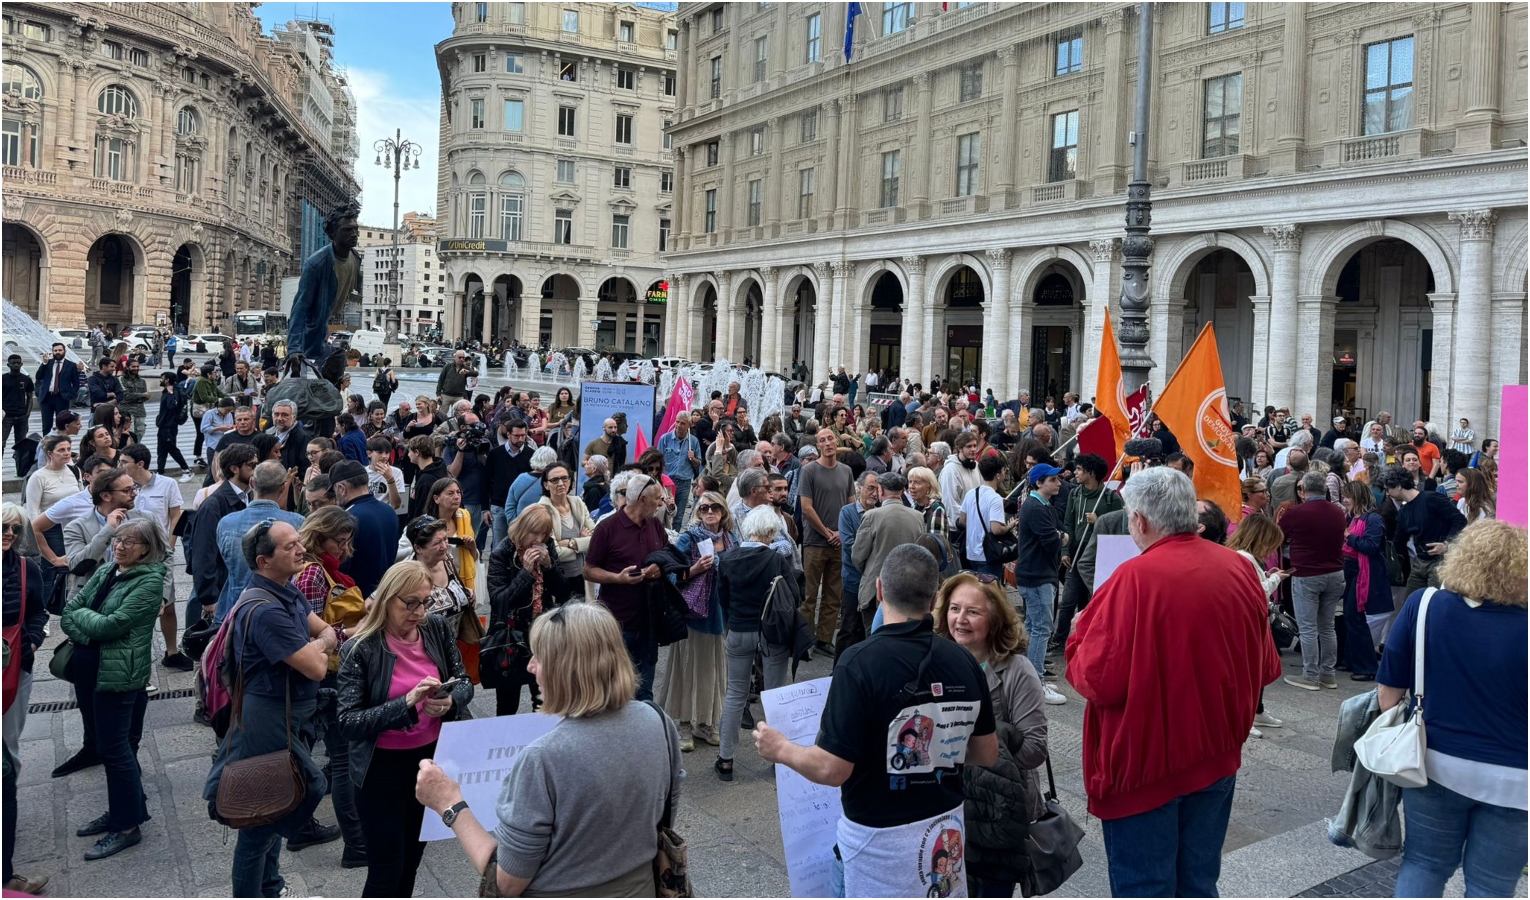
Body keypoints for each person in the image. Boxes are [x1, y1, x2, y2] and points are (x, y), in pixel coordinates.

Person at [1066, 467, 1279, 894]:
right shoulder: (1239, 568)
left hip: (1147, 767)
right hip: (1216, 754)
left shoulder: (1133, 578)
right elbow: (1266, 666)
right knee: (1199, 882)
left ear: (1140, 521)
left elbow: (1096, 679)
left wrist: (1076, 633)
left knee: (1145, 886)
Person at [754, 544, 998, 898]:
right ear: (933, 601)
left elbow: (832, 769)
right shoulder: (963, 661)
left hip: (877, 846)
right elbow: (986, 752)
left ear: (880, 590)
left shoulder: (858, 662)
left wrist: (781, 748)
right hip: (944, 832)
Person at [414, 601, 682, 896]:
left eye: (538, 658)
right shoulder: (658, 721)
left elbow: (506, 882)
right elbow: (661, 818)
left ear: (564, 670)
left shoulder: (543, 758)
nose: (529, 667)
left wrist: (449, 804)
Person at [1376, 520, 1527, 895]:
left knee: (1424, 865)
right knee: (1492, 886)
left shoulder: (1425, 605)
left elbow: (1388, 694)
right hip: (1517, 778)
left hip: (1434, 762)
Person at [204, 520, 339, 898]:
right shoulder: (265, 610)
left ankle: (272, 887)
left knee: (279, 801)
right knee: (265, 819)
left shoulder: (286, 590)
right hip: (267, 718)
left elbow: (326, 629)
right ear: (264, 561)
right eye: (290, 546)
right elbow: (317, 663)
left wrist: (321, 642)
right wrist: (322, 645)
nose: (301, 549)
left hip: (288, 712)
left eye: (299, 542)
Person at [337, 561, 473, 898]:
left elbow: (465, 680)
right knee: (387, 869)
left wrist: (450, 701)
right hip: (380, 770)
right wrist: (406, 704)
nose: (418, 612)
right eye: (409, 603)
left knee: (412, 860)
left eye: (425, 602)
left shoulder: (436, 629)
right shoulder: (360, 648)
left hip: (429, 763)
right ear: (386, 599)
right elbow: (348, 722)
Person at [934, 572, 1048, 898]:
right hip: (948, 807)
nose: (961, 619)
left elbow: (1035, 748)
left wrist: (979, 753)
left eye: (973, 611)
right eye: (955, 609)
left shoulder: (1017, 670)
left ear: (994, 618)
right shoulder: (938, 662)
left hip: (998, 815)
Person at [61, 518, 168, 860]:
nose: (119, 546)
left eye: (130, 542)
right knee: (112, 745)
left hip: (118, 676)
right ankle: (127, 808)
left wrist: (89, 629)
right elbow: (69, 610)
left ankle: (126, 826)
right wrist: (89, 631)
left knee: (115, 749)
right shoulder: (109, 570)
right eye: (118, 539)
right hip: (89, 670)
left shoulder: (150, 581)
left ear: (147, 549)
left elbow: (112, 625)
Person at [713, 506, 798, 782]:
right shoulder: (775, 560)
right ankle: (777, 759)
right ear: (771, 532)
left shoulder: (727, 558)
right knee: (774, 695)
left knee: (735, 693)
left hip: (738, 629)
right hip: (771, 633)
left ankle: (726, 759)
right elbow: (794, 596)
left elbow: (721, 598)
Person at [658, 491, 733, 753]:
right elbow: (666, 573)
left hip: (719, 615)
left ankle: (705, 722)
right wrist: (693, 570)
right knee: (688, 669)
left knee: (711, 670)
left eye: (714, 507)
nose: (709, 512)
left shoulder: (730, 539)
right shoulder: (688, 539)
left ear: (723, 511)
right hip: (691, 614)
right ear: (697, 513)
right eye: (703, 508)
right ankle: (684, 724)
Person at [583, 475, 669, 700]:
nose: (661, 503)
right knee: (612, 690)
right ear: (642, 500)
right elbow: (589, 570)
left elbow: (667, 555)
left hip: (649, 621)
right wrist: (618, 578)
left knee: (644, 692)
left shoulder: (654, 524)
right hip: (617, 623)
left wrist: (659, 568)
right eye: (658, 499)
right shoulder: (608, 528)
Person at [2, 504, 49, 893]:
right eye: (3, 527)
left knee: (9, 749)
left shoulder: (25, 569)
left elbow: (38, 611)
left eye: (16, 529)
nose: (9, 534)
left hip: (16, 669)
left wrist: (32, 639)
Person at [1279, 472, 1347, 691]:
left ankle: (1310, 675)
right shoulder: (1338, 512)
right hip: (1335, 572)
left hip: (1306, 573)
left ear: (1304, 490)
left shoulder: (1296, 512)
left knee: (1308, 628)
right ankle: (1328, 674)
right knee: (1327, 627)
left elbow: (1279, 535)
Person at [1224, 514, 1289, 738]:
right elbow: (1255, 592)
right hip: (1248, 621)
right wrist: (1275, 579)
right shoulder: (1244, 559)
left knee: (1258, 667)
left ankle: (1256, 711)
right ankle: (1248, 714)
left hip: (1251, 620)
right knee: (1250, 669)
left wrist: (1268, 575)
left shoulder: (1242, 557)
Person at [1054, 453, 1123, 656]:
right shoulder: (1075, 494)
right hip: (1075, 555)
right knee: (1067, 601)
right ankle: (1059, 640)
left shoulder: (1110, 498)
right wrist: (1065, 550)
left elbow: (1120, 528)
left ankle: (1087, 640)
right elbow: (1068, 523)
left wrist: (1099, 520)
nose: (1074, 473)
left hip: (1099, 556)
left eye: (1079, 470)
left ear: (1091, 473)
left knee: (1093, 601)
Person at [287, 201, 361, 386]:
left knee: (332, 381)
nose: (354, 233)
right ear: (333, 233)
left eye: (355, 228)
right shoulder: (316, 264)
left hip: (325, 326)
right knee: (306, 389)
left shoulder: (355, 258)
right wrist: (294, 348)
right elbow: (300, 308)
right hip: (311, 331)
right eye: (347, 230)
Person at [799, 428, 856, 653]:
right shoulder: (809, 471)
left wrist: (842, 533)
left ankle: (824, 639)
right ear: (818, 446)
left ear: (836, 441)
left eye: (830, 438)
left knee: (834, 594)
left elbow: (851, 505)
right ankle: (805, 640)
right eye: (822, 440)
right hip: (815, 542)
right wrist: (827, 532)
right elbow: (806, 508)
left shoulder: (846, 471)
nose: (828, 443)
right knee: (809, 595)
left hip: (839, 543)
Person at [1383, 466, 1467, 592]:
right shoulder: (1404, 511)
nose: (1387, 493)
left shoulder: (1432, 499)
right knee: (1410, 603)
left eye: (1388, 489)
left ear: (1398, 486)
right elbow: (1398, 540)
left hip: (1440, 562)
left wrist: (1447, 544)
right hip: (1419, 563)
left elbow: (1459, 520)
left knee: (1432, 602)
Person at [1339, 480, 1391, 683]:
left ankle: (1367, 666)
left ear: (1358, 497)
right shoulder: (1351, 517)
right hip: (1351, 569)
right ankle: (1351, 659)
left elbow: (1370, 546)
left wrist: (1349, 537)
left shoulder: (1373, 519)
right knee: (1351, 616)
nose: (1345, 499)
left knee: (1355, 617)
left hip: (1363, 571)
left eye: (1348, 496)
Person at [330, 459, 402, 597]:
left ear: (341, 488)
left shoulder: (346, 518)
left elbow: (341, 566)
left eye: (334, 491)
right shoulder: (389, 511)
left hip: (357, 600)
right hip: (384, 594)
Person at [535, 462, 595, 600]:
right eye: (554, 480)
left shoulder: (577, 502)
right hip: (557, 580)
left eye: (564, 478)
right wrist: (584, 543)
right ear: (546, 485)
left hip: (583, 576)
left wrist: (571, 543)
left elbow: (597, 538)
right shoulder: (542, 510)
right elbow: (555, 553)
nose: (561, 483)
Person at [658, 415, 703, 525]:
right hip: (667, 482)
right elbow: (658, 460)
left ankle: (675, 540)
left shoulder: (693, 441)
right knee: (663, 512)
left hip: (684, 483)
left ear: (689, 425)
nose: (679, 425)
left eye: (683, 423)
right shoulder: (665, 438)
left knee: (679, 516)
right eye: (677, 422)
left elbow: (699, 463)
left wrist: (692, 458)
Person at [36, 343, 81, 434]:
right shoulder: (48, 363)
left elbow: (76, 383)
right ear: (52, 352)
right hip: (47, 397)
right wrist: (44, 364)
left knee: (62, 424)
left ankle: (61, 443)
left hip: (62, 398)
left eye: (60, 350)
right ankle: (47, 445)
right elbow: (38, 376)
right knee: (46, 425)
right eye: (55, 351)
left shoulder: (71, 365)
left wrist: (71, 395)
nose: (57, 352)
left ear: (64, 351)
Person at [2, 354, 35, 455]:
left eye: (18, 363)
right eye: (13, 363)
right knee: (1, 442)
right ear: (8, 365)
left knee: (21, 445)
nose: (16, 365)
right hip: (6, 416)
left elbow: (30, 397)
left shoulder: (26, 379)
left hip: (21, 416)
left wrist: (27, 413)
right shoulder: (3, 379)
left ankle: (20, 469)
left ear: (21, 364)